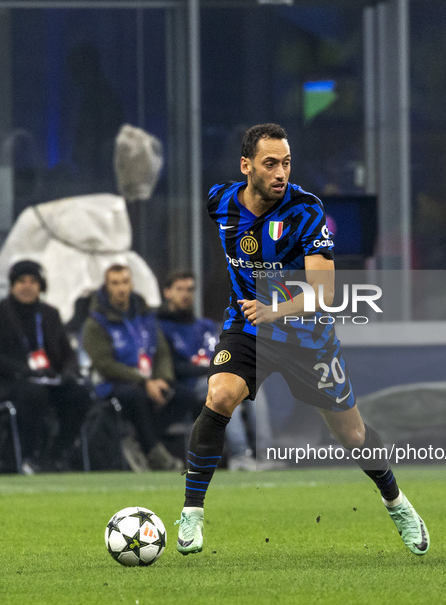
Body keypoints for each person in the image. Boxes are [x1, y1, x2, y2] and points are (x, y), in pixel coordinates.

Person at [175, 123, 430, 556]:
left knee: (351, 435)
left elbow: (325, 293)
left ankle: (397, 502)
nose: (280, 173)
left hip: (306, 338)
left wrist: (275, 308)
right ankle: (191, 514)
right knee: (218, 396)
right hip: (248, 328)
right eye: (270, 163)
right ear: (246, 166)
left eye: (286, 163)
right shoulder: (219, 200)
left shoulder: (306, 211)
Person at [0, 259, 91, 472]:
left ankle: (57, 453)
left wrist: (68, 372)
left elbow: (67, 353)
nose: (27, 286)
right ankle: (29, 455)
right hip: (9, 382)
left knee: (80, 394)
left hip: (48, 381)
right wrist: (26, 371)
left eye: (33, 281)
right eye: (21, 281)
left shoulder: (50, 314)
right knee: (33, 394)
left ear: (41, 286)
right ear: (12, 285)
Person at [82, 263, 182, 471]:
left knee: (183, 396)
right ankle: (155, 453)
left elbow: (161, 351)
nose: (121, 288)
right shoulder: (96, 322)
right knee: (136, 395)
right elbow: (105, 364)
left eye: (125, 282)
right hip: (111, 384)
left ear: (132, 284)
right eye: (115, 283)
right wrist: (144, 382)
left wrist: (162, 378)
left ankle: (136, 441)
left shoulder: (145, 315)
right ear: (106, 287)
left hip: (149, 380)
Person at [158, 269, 256, 471]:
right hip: (188, 387)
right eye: (180, 289)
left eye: (190, 289)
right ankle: (240, 456)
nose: (186, 294)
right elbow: (173, 368)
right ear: (167, 293)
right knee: (223, 389)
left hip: (214, 378)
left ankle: (263, 451)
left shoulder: (206, 326)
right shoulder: (160, 326)